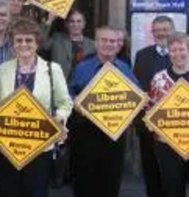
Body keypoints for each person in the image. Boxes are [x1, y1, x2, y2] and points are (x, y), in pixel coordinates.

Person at [0, 17, 73, 197]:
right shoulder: (3, 70)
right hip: (8, 146)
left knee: (35, 192)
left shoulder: (53, 69)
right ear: (13, 44)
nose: (24, 44)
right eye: (18, 40)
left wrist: (58, 118)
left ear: (37, 43)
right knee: (7, 191)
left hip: (40, 147)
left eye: (29, 40)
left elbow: (65, 103)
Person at [68, 26, 139, 197]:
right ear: (97, 43)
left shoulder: (124, 68)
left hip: (114, 133)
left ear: (118, 45)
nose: (109, 44)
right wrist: (74, 101)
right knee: (84, 181)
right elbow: (68, 93)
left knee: (110, 181)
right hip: (86, 131)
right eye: (104, 40)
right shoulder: (82, 68)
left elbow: (137, 95)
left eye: (113, 41)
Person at [134, 15, 175, 197]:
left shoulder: (182, 52)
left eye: (165, 29)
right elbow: (137, 87)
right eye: (157, 30)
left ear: (172, 30)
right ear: (152, 33)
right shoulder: (141, 55)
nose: (161, 33)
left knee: (174, 174)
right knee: (150, 170)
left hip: (176, 125)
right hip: (148, 126)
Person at [146, 32, 189, 197]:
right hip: (167, 145)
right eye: (173, 50)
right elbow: (151, 110)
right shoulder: (159, 78)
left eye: (181, 49)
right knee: (172, 189)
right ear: (168, 53)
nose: (177, 54)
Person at [43, 9, 95, 79]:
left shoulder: (92, 45)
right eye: (72, 21)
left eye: (79, 21)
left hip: (83, 86)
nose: (75, 24)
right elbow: (40, 45)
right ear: (66, 24)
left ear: (84, 24)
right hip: (60, 85)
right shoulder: (57, 38)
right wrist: (49, 21)